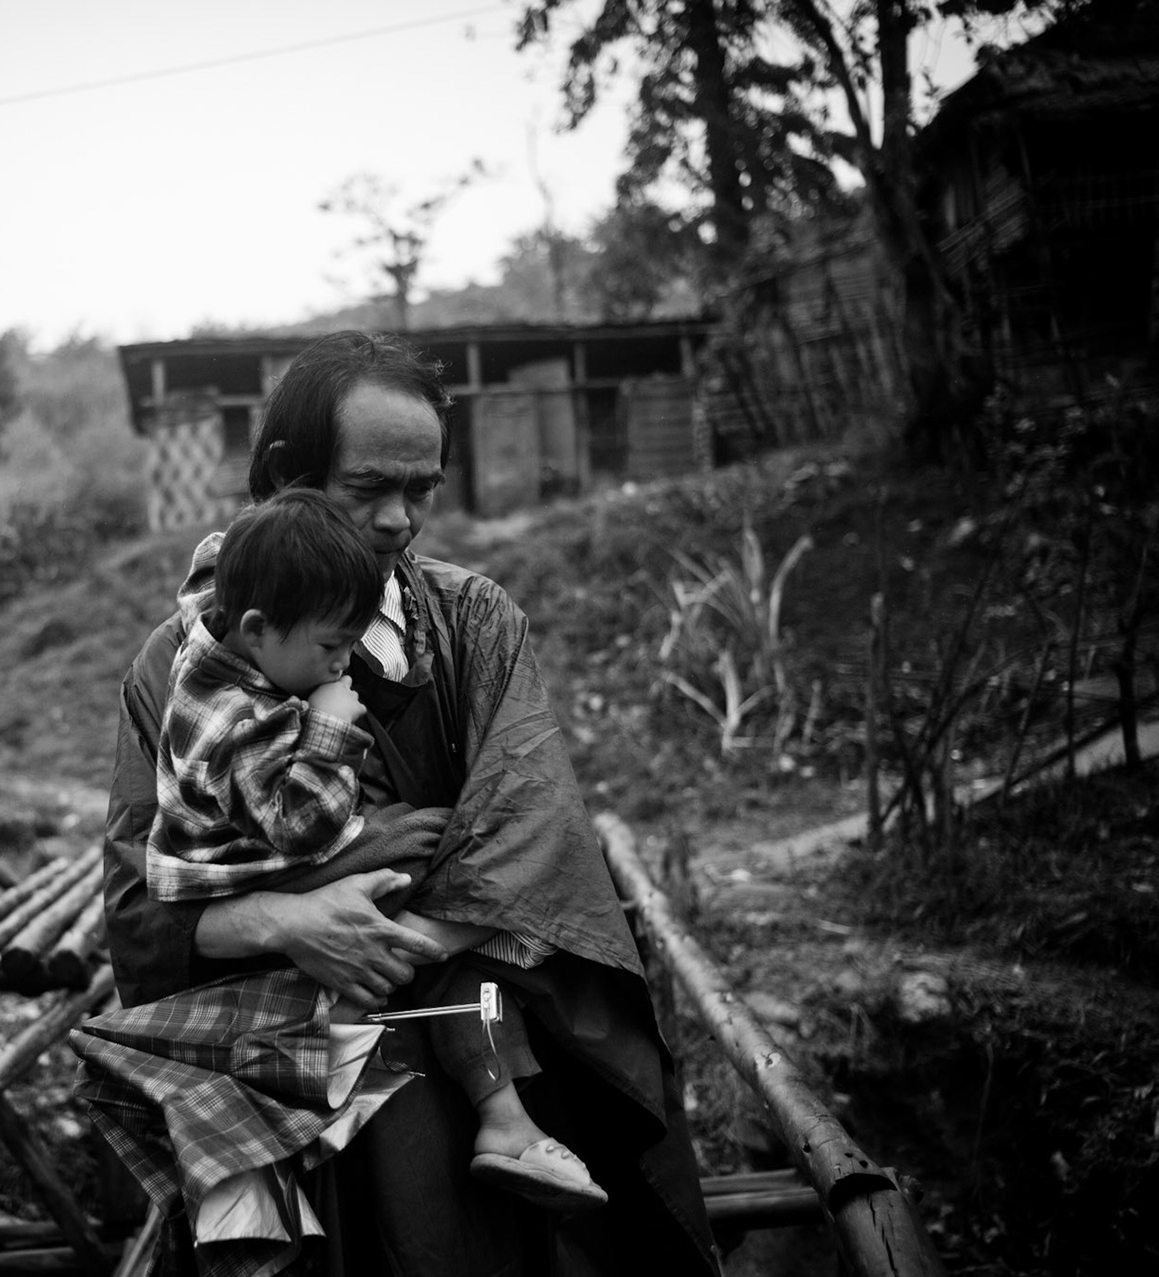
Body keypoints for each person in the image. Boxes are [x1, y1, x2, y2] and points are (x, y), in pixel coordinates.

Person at [97, 331, 720, 1277]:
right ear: (283, 475)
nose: (398, 519)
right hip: (287, 1077)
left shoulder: (472, 626)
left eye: (420, 490)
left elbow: (532, 839)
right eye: (366, 489)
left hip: (466, 1060)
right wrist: (293, 918)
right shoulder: (177, 669)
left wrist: (397, 945)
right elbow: (141, 916)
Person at [139, 485, 606, 1214]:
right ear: (258, 627)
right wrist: (330, 726)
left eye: (423, 487)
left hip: (270, 853)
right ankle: (358, 1025)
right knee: (429, 861)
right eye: (331, 648)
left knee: (427, 864)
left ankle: (501, 1115)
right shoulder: (226, 711)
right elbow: (298, 826)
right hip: (253, 866)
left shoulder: (248, 634)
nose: (341, 663)